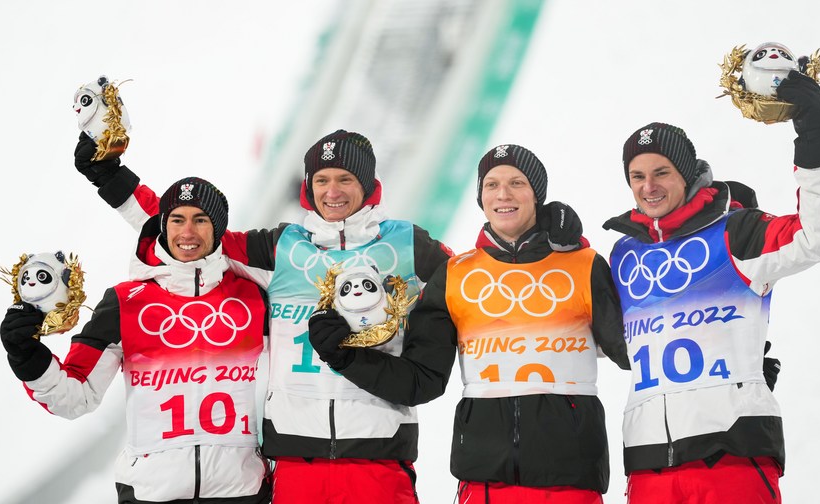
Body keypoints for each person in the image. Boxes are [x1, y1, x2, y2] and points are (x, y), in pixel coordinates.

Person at [73, 130, 577, 502]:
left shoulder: (408, 245)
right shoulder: (280, 248)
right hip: (295, 468)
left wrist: (550, 243)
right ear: (307, 187)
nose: (332, 191)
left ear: (369, 187)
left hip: (380, 464)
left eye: (345, 179)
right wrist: (111, 176)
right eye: (322, 180)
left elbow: (489, 281)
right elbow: (187, 235)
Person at [308, 143, 631, 504]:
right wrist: (345, 357)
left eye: (517, 183)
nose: (503, 194)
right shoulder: (456, 274)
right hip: (483, 480)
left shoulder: (583, 264)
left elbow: (631, 350)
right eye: (491, 185)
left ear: (537, 196)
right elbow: (420, 381)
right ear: (481, 196)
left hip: (570, 481)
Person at [602, 70, 820, 503]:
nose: (649, 186)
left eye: (661, 172)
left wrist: (812, 130)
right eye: (637, 176)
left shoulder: (736, 233)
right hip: (649, 465)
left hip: (731, 456)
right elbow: (585, 336)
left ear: (687, 173)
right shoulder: (624, 255)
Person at [0, 177, 271, 503]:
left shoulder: (254, 298)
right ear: (162, 226)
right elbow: (76, 395)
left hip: (241, 491)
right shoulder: (124, 302)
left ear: (218, 230)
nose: (187, 232)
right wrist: (26, 355)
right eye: (176, 219)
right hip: (151, 493)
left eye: (200, 220)